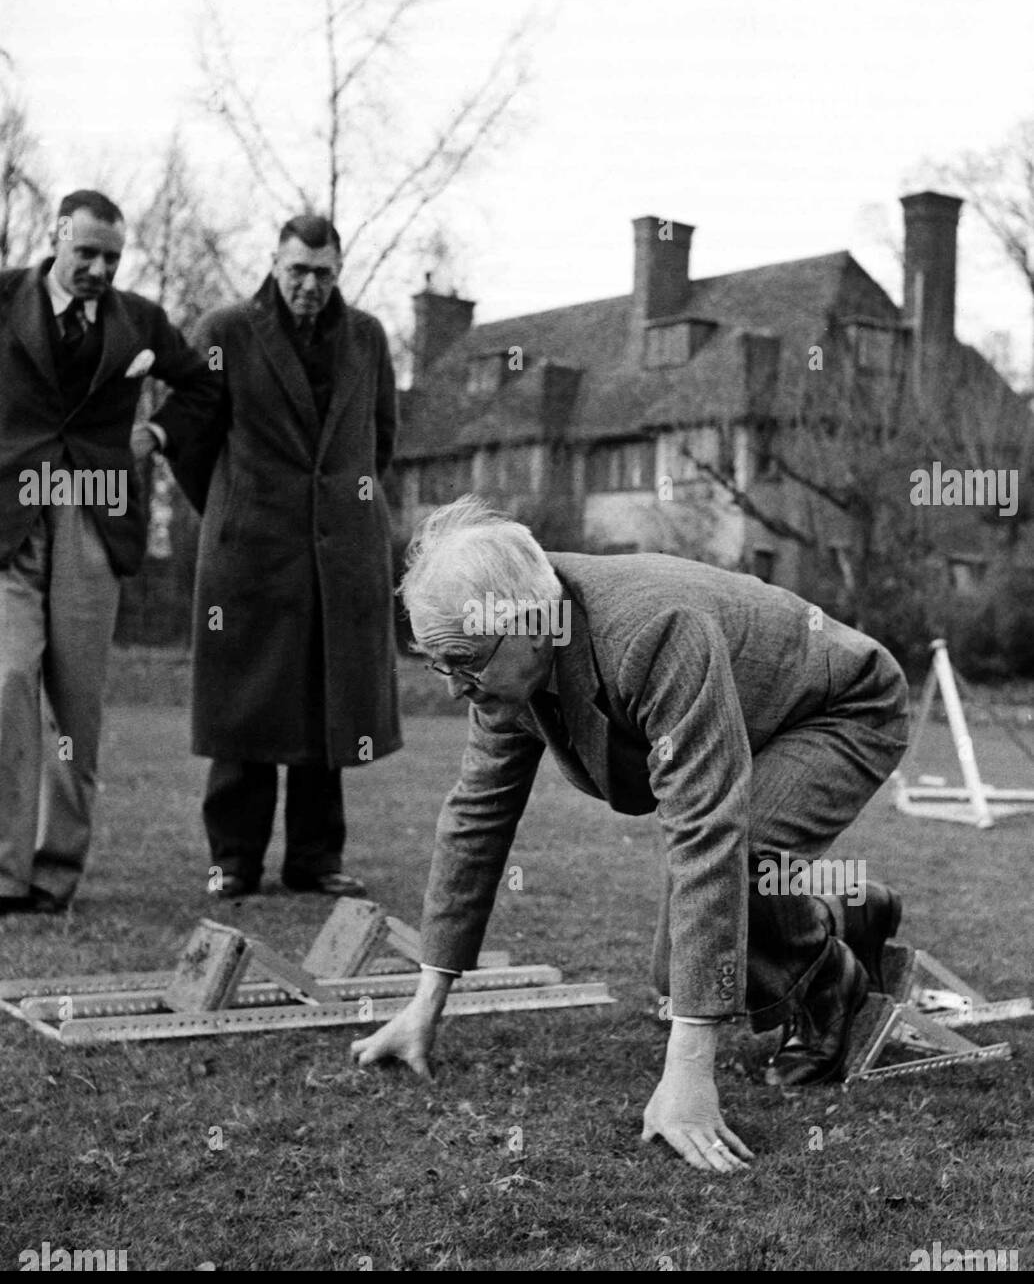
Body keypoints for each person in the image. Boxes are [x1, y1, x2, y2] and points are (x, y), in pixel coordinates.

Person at [352, 497, 910, 1171]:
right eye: (442, 665)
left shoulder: (652, 631)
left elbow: (708, 831)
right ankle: (846, 910)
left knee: (741, 864)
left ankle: (829, 986)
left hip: (841, 709)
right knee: (682, 965)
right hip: (758, 724)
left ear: (532, 623)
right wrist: (424, 1003)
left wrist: (689, 1075)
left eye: (465, 662)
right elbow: (477, 818)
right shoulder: (509, 664)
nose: (454, 689)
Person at [166, 215, 401, 901]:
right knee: (244, 708)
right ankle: (233, 860)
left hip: (339, 552)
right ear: (274, 263)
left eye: (324, 272)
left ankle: (314, 860)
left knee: (328, 708)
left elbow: (378, 440)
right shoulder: (225, 332)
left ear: (338, 272)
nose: (310, 285)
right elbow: (190, 440)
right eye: (298, 270)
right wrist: (234, 509)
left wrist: (340, 506)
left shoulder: (367, 337)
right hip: (248, 553)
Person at [0, 189, 221, 915]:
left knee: (76, 708)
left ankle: (55, 874)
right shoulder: (6, 298)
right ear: (58, 235)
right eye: (87, 252)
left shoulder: (142, 320)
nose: (98, 268)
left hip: (95, 518)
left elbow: (202, 386)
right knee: (6, 684)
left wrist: (154, 436)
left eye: (113, 258)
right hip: (10, 517)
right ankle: (3, 873)